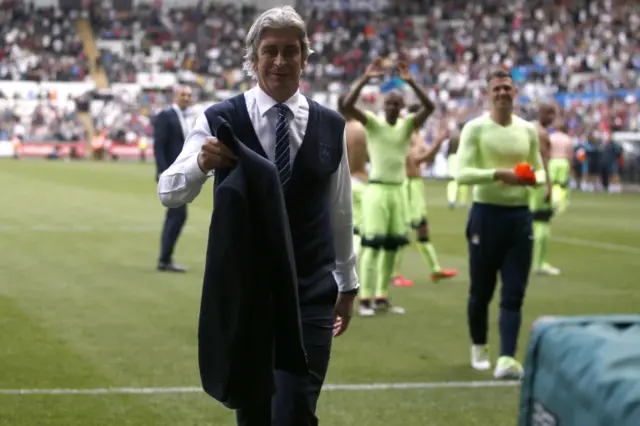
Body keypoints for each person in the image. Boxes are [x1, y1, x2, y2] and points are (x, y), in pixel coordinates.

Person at [157, 6, 358, 425]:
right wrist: (201, 164)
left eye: (291, 51)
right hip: (247, 293)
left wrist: (349, 284)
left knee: (295, 412)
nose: (281, 61)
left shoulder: (330, 125)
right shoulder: (220, 118)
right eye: (270, 51)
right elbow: (169, 191)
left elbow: (340, 209)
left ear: (306, 57)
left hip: (310, 291)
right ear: (253, 59)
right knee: (253, 416)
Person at [456, 68, 545, 380]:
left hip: (519, 217)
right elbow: (462, 173)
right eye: (497, 89)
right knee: (482, 290)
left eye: (507, 88)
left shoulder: (528, 130)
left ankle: (507, 357)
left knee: (515, 291)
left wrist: (531, 179)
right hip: (485, 215)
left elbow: (540, 172)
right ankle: (479, 347)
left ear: (515, 92)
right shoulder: (476, 129)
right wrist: (499, 174)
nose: (503, 93)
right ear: (488, 93)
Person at [341, 58, 435, 316]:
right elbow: (347, 105)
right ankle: (365, 299)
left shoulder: (406, 127)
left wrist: (412, 83)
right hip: (378, 190)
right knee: (372, 245)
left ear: (402, 107)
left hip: (398, 190)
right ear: (383, 106)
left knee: (393, 246)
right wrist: (365, 78)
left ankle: (381, 295)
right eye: (389, 103)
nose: (393, 107)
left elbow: (430, 106)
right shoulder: (373, 124)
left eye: (397, 104)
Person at [392, 108, 457, 287]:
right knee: (405, 228)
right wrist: (437, 142)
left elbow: (428, 158)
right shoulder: (408, 134)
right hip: (409, 185)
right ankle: (395, 274)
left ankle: (435, 269)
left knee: (422, 228)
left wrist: (437, 144)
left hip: (416, 185)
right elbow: (416, 160)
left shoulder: (417, 134)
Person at [153, 85, 194, 272]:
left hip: (183, 173)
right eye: (183, 95)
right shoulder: (166, 116)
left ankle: (165, 258)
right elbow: (159, 145)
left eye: (189, 95)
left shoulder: (189, 118)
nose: (186, 98)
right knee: (177, 215)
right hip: (171, 174)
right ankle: (164, 259)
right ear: (175, 97)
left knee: (175, 215)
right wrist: (163, 172)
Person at [338, 93, 368, 259]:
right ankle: (352, 261)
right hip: (360, 181)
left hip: (342, 183)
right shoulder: (361, 128)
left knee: (346, 228)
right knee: (363, 229)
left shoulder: (337, 127)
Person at [529, 104, 558, 276]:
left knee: (532, 221)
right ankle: (540, 262)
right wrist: (549, 185)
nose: (552, 120)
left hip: (531, 178)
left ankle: (533, 260)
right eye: (551, 115)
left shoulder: (530, 129)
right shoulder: (542, 134)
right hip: (540, 178)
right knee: (542, 221)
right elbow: (544, 161)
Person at [548, 120, 574, 213]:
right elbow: (570, 154)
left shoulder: (551, 137)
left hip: (553, 161)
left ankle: (554, 200)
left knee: (553, 182)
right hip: (563, 161)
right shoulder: (567, 139)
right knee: (562, 183)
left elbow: (547, 151)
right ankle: (561, 203)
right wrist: (571, 166)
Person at [446, 123, 469, 209]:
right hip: (462, 158)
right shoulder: (466, 137)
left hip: (452, 158)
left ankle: (451, 200)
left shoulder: (453, 137)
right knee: (463, 180)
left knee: (452, 180)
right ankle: (462, 202)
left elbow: (448, 150)